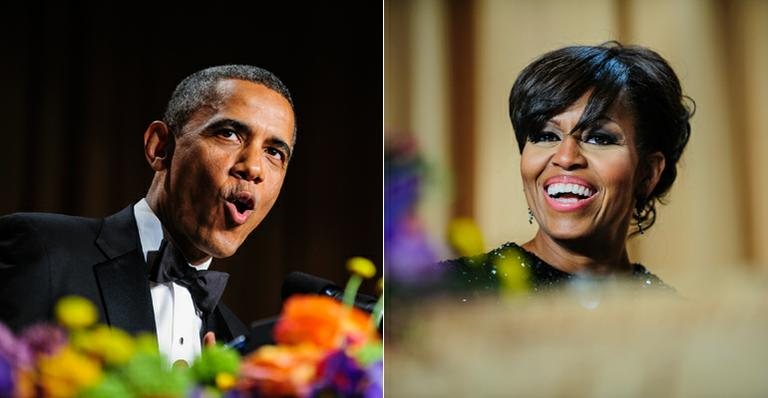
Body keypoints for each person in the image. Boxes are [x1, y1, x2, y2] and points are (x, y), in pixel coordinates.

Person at [0, 65, 296, 365]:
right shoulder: (43, 249)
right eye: (229, 134)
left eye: (274, 152)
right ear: (160, 147)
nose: (253, 167)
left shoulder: (236, 346)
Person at [442, 42, 693, 295]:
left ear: (648, 173)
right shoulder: (448, 292)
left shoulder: (675, 317)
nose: (565, 157)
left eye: (599, 138)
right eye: (546, 135)